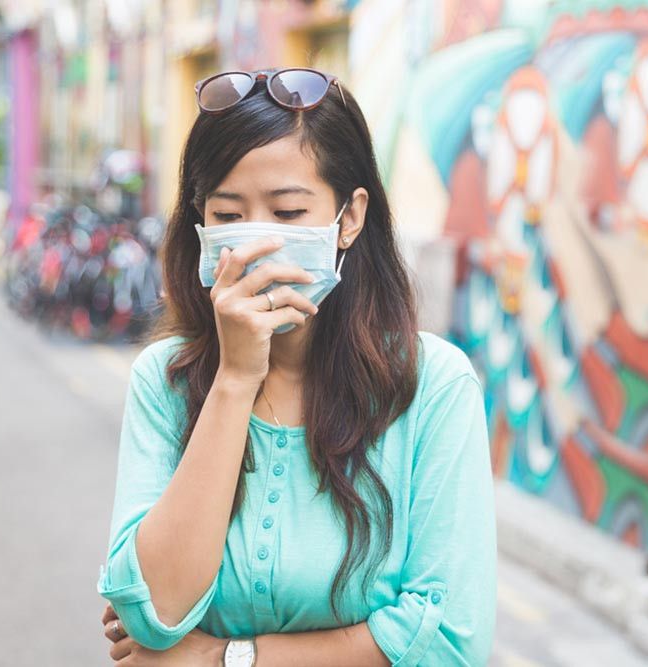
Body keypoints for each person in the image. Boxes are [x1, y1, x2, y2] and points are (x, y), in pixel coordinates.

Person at [97, 68, 496, 666]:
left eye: (287, 213)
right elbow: (153, 615)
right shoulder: (166, 379)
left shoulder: (433, 385)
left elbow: (448, 640)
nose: (256, 243)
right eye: (229, 217)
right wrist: (235, 379)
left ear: (350, 217)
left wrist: (223, 658)